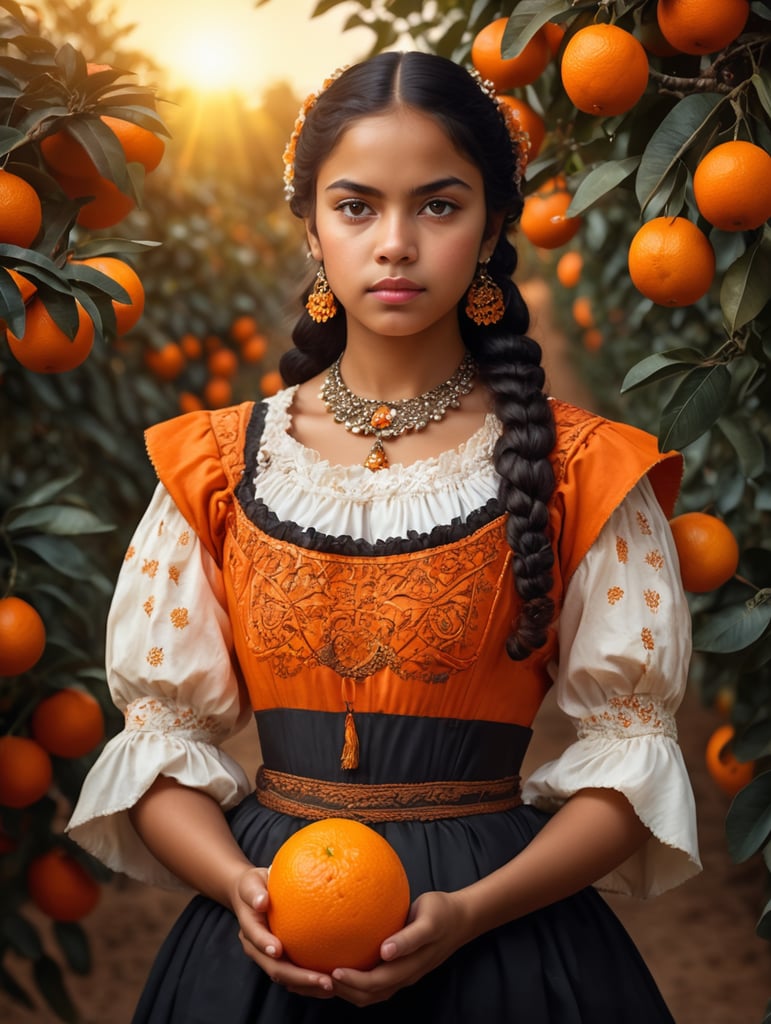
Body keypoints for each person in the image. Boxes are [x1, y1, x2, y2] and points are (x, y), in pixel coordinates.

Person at [68, 51, 701, 1022]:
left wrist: (473, 910)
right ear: (313, 229)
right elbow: (162, 744)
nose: (395, 243)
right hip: (266, 943)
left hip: (503, 953)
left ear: (493, 227)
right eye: (357, 206)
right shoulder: (219, 464)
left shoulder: (582, 470)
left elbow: (632, 757)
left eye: (438, 206)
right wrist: (240, 884)